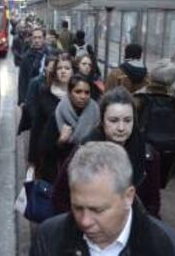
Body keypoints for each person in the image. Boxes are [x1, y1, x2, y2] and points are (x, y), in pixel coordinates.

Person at [30, 141, 175, 256]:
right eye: (78, 207)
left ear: (128, 197)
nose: (85, 221)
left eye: (97, 210)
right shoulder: (48, 237)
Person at [53, 87, 161, 218]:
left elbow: (153, 204)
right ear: (102, 122)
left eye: (127, 120)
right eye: (114, 120)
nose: (121, 128)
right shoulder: (84, 150)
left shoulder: (148, 156)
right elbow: (61, 195)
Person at [134, 58, 175, 188]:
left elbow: (133, 120)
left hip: (144, 144)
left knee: (143, 181)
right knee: (159, 183)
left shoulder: (140, 96)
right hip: (169, 146)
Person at [39, 74, 100, 183]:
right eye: (78, 92)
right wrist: (60, 141)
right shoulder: (58, 115)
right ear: (69, 93)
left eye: (87, 92)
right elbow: (44, 150)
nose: (83, 96)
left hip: (89, 176)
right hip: (61, 176)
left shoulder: (96, 114)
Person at [28, 53, 74, 175]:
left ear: (73, 71)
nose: (63, 71)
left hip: (74, 157)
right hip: (50, 154)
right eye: (59, 68)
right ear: (55, 71)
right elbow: (36, 127)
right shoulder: (45, 92)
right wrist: (32, 160)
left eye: (67, 68)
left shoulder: (80, 94)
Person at [17, 27, 48, 106]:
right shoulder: (26, 57)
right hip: (32, 97)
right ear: (31, 39)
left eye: (39, 38)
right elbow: (22, 80)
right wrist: (22, 100)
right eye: (34, 38)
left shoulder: (50, 54)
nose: (37, 40)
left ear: (44, 39)